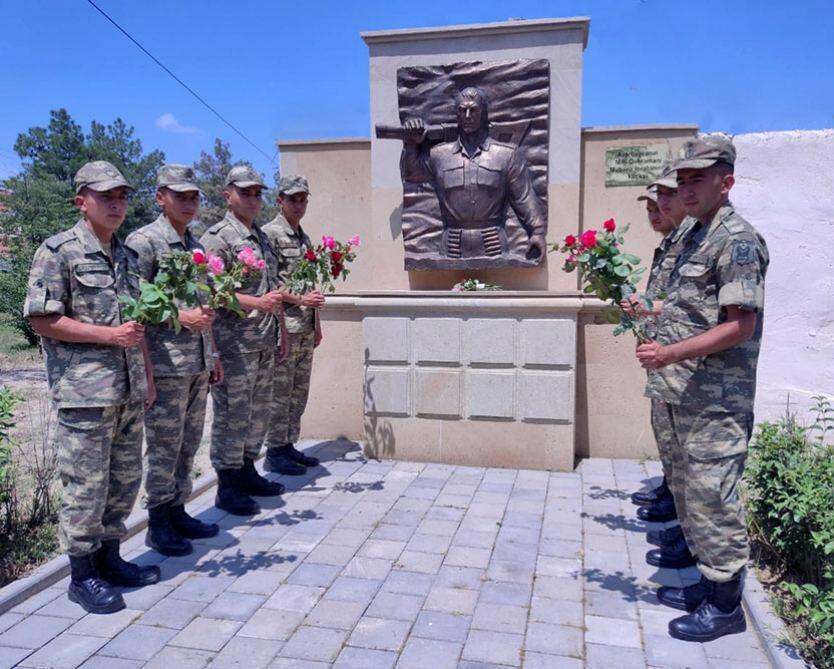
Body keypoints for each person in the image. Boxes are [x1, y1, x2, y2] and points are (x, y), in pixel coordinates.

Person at [636, 134, 769, 642]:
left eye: (698, 180)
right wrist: (650, 314)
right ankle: (707, 584)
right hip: (683, 390)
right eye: (683, 180)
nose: (687, 190)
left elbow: (740, 326)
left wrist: (669, 352)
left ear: (726, 181)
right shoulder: (695, 236)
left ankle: (726, 606)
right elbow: (684, 307)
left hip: (717, 398)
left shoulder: (736, 241)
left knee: (713, 495)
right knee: (691, 492)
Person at [24, 161, 159, 614]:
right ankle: (81, 576)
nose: (117, 203)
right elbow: (43, 320)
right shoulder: (58, 251)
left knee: (123, 480)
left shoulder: (128, 256)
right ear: (81, 201)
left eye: (122, 195)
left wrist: (148, 376)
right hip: (85, 395)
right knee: (85, 485)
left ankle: (111, 558)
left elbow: (136, 326)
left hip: (127, 390)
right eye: (106, 196)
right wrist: (108, 336)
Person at [125, 165, 222, 556]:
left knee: (187, 442)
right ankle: (158, 522)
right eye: (179, 195)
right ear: (160, 197)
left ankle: (178, 509)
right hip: (165, 365)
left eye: (194, 196)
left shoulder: (195, 245)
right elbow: (133, 304)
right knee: (164, 446)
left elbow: (206, 304)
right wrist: (181, 318)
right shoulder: (144, 242)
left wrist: (212, 351)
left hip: (196, 362)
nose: (188, 203)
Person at [200, 166, 288, 515]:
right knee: (232, 415)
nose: (253, 200)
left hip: (263, 340)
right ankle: (228, 484)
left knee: (257, 412)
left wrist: (280, 329)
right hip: (234, 343)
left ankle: (249, 470)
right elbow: (211, 292)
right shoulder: (217, 238)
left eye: (257, 193)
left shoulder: (261, 238)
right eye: (246, 193)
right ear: (228, 195)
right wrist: (257, 304)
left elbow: (272, 290)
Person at [400, 87, 546, 260]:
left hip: (493, 245)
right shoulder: (439, 155)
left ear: (484, 114)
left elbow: (524, 197)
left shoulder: (507, 155)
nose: (467, 115)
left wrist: (536, 232)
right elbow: (411, 175)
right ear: (456, 114)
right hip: (451, 246)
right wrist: (410, 145)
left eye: (474, 110)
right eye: (462, 110)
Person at [261, 175, 324, 475]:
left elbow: (311, 284)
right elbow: (271, 285)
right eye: (293, 199)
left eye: (303, 199)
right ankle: (274, 451)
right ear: (280, 200)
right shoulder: (270, 235)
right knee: (280, 392)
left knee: (299, 392)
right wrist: (301, 302)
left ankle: (288, 445)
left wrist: (317, 323)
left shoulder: (304, 238)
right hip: (284, 325)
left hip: (305, 326)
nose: (299, 205)